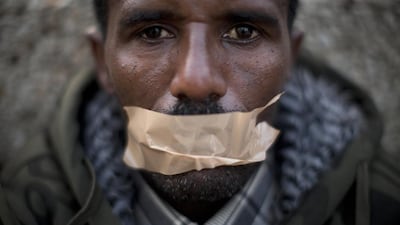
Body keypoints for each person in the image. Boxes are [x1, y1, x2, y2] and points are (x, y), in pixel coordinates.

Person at [1, 0, 400, 224]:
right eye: (152, 31)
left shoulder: (383, 204)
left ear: (290, 61)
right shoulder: (23, 209)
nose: (196, 81)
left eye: (244, 32)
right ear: (102, 63)